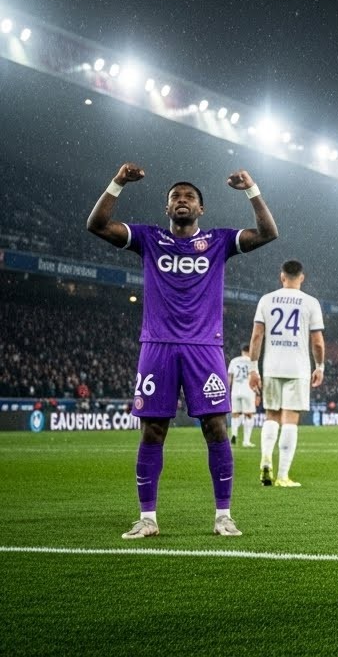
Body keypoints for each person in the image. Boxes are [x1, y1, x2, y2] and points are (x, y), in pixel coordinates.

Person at [86, 161, 278, 539]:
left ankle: (224, 516)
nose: (182, 200)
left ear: (201, 209)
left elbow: (269, 233)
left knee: (216, 428)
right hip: (156, 346)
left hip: (204, 347)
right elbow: (96, 225)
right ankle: (148, 519)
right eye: (175, 197)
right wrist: (118, 182)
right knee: (153, 431)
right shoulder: (148, 238)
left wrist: (252, 190)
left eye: (189, 196)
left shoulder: (220, 242)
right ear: (167, 208)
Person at [248, 260, 325, 488]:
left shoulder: (266, 300)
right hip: (298, 367)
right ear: (301, 277)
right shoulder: (310, 303)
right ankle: (282, 476)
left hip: (271, 366)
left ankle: (265, 459)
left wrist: (254, 368)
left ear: (282, 276)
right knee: (290, 419)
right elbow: (318, 342)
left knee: (271, 416)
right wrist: (319, 366)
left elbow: (256, 336)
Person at [227, 344, 257, 447]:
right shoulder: (252, 361)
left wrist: (228, 390)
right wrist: (258, 393)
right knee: (249, 415)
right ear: (250, 351)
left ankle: (234, 434)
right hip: (248, 390)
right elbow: (256, 378)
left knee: (235, 414)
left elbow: (229, 377)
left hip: (235, 391)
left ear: (242, 351)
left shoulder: (234, 361)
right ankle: (246, 441)